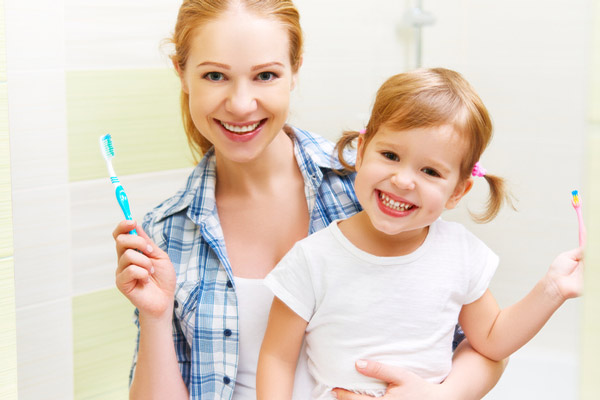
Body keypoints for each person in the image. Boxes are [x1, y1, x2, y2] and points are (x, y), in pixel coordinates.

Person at [112, 1, 507, 399]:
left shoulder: (375, 189)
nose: (241, 104)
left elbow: (486, 343)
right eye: (215, 75)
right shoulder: (167, 232)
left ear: (295, 69)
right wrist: (156, 315)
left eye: (265, 75)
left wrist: (443, 394)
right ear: (181, 72)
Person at [256, 68, 584, 399]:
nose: (402, 180)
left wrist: (552, 289)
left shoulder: (459, 254)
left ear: (457, 191)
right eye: (390, 155)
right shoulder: (311, 259)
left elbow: (493, 339)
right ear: (362, 149)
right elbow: (277, 360)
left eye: (429, 171)